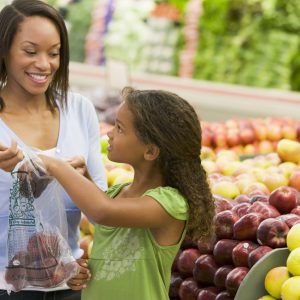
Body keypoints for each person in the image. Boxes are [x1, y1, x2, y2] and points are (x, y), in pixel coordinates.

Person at [39, 87, 215, 300]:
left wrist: (56, 166)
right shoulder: (117, 193)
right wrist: (81, 271)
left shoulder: (170, 204)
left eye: (120, 128)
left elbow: (103, 211)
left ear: (150, 151)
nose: (110, 133)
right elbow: (100, 215)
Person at [0, 0, 107, 299]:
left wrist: (77, 179)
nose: (44, 64)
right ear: (3, 51)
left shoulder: (78, 109)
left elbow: (101, 214)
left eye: (54, 53)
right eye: (30, 52)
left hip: (65, 286)